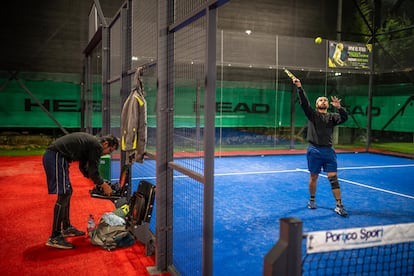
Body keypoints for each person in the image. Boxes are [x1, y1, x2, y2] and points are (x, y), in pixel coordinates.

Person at [42, 132, 119, 249]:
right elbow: (93, 170)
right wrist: (103, 184)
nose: (108, 153)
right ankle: (55, 237)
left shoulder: (91, 144)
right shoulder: (97, 146)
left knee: (68, 192)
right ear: (106, 143)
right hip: (56, 156)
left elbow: (83, 167)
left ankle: (66, 228)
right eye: (110, 150)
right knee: (64, 194)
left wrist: (97, 181)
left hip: (57, 157)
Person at [293, 78, 348, 217]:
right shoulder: (312, 115)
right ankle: (312, 199)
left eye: (325, 100)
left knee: (333, 178)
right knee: (313, 176)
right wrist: (300, 87)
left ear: (328, 104)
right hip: (314, 151)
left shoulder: (333, 116)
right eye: (320, 100)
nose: (323, 101)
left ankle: (339, 205)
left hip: (329, 151)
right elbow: (304, 103)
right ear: (317, 104)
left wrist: (340, 108)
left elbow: (345, 118)